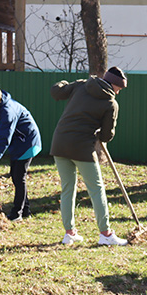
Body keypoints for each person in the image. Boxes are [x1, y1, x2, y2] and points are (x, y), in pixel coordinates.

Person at [50, 66, 129, 246]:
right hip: (82, 147)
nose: (119, 92)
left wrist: (64, 83)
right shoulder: (110, 103)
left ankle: (69, 233)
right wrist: (99, 132)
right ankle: (106, 235)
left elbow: (56, 92)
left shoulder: (81, 85)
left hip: (59, 142)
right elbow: (107, 136)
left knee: (68, 188)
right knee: (97, 189)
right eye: (119, 89)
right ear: (114, 85)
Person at [0, 82, 42, 221]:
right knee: (15, 175)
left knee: (19, 177)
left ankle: (17, 213)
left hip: (27, 142)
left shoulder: (7, 111)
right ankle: (25, 210)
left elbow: (4, 139)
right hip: (16, 143)